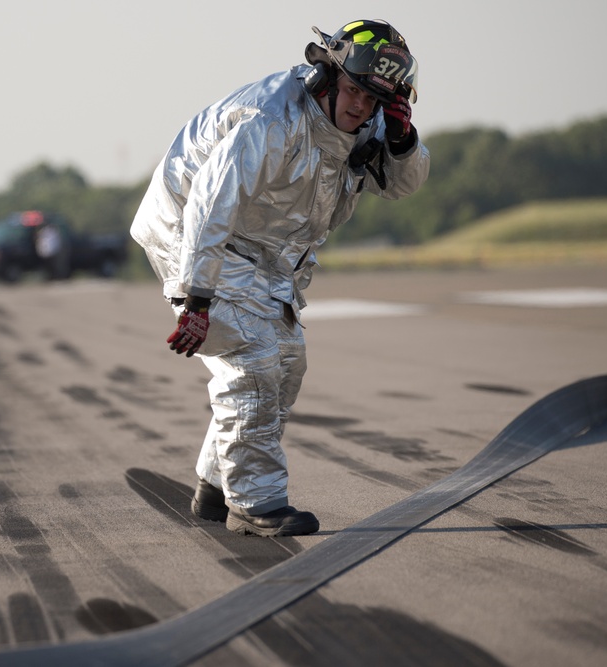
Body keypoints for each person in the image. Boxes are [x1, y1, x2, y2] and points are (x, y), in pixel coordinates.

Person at [130, 20, 430, 537]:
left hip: (267, 255)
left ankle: (216, 487)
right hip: (194, 234)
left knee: (288, 362)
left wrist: (402, 140)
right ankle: (255, 501)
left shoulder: (374, 123)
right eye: (354, 91)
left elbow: (401, 187)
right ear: (330, 76)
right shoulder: (269, 118)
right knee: (253, 363)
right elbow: (209, 204)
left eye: (375, 100)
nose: (360, 107)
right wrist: (197, 298)